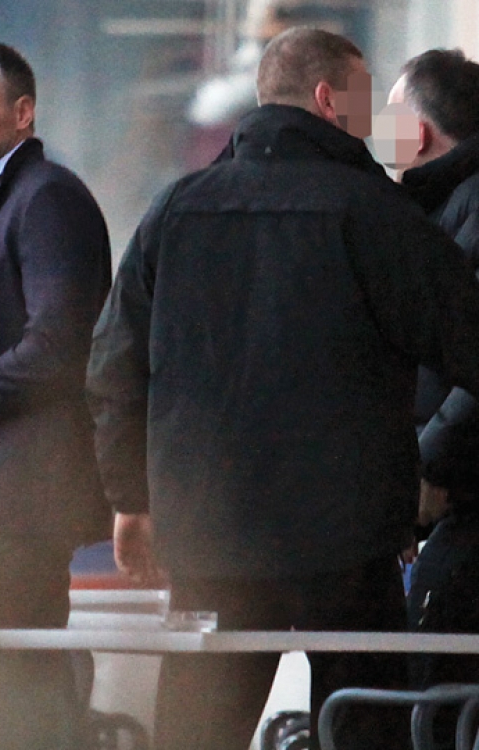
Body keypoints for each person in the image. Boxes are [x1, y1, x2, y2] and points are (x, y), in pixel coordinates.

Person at [87, 27, 479, 750]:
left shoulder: (175, 210)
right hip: (350, 540)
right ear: (328, 100)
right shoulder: (374, 213)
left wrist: (129, 499)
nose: (375, 121)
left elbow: (114, 364)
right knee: (362, 727)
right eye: (365, 98)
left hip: (213, 535)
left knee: (199, 734)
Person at [0, 42, 112, 749]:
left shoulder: (48, 197)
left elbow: (59, 348)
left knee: (19, 697)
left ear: (23, 112)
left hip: (20, 510)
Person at [388, 50, 479, 747]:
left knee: (436, 704)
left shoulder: (464, 209)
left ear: (417, 133)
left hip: (464, 502)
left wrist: (428, 465)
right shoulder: (448, 205)